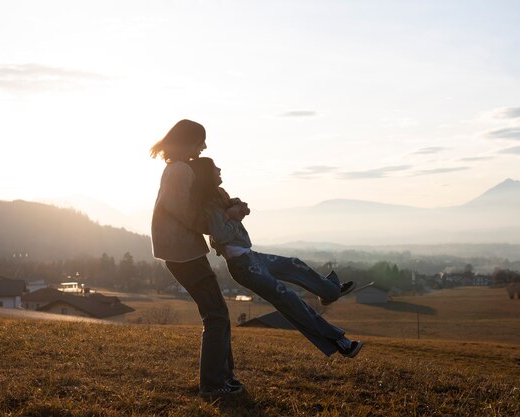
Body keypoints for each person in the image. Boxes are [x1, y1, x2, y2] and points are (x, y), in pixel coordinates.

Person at [187, 157, 362, 358]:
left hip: (252, 257)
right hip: (243, 266)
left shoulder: (219, 196)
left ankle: (330, 291)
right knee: (289, 299)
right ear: (207, 176)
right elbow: (220, 235)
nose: (219, 169)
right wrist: (232, 215)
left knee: (294, 264)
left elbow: (231, 216)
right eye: (214, 168)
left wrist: (238, 208)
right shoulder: (208, 206)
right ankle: (338, 341)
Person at [150, 120, 245, 398]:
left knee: (217, 314)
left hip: (183, 250)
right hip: (183, 252)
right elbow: (185, 213)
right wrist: (223, 219)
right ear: (187, 141)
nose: (203, 147)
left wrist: (225, 206)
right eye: (200, 142)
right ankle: (214, 384)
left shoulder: (177, 169)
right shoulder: (179, 171)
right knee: (216, 315)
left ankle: (224, 378)